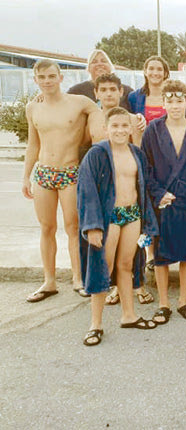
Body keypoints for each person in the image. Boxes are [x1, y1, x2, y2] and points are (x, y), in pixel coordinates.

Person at [23, 60, 105, 303]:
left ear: (61, 78)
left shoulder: (80, 103)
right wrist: (26, 176)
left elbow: (102, 112)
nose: (47, 81)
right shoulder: (33, 108)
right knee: (46, 228)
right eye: (42, 77)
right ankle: (49, 281)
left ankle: (77, 279)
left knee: (73, 227)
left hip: (70, 172)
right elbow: (33, 144)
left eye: (51, 76)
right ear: (35, 80)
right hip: (44, 173)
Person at [78, 107, 159, 346]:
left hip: (132, 214)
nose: (120, 130)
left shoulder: (136, 153)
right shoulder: (97, 154)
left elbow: (145, 185)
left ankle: (129, 315)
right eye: (115, 126)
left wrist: (156, 206)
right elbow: (86, 191)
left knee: (127, 265)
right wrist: (92, 226)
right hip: (108, 217)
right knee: (104, 266)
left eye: (125, 125)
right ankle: (95, 324)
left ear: (131, 128)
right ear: (106, 129)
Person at [141, 80, 186, 324]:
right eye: (170, 100)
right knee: (161, 253)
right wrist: (157, 193)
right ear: (164, 102)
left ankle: (184, 300)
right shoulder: (153, 130)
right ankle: (164, 303)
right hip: (163, 201)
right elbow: (145, 167)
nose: (175, 105)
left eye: (180, 100)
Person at [68, 49, 133, 110]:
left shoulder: (127, 92)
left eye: (104, 61)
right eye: (94, 62)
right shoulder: (76, 91)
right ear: (88, 68)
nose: (99, 64)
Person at [94, 73, 145, 147]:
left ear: (121, 92)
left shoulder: (134, 120)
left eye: (113, 89)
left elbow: (138, 153)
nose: (108, 94)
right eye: (103, 90)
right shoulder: (91, 118)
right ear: (96, 93)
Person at [128, 56, 170, 124]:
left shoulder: (174, 97)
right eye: (151, 69)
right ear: (145, 72)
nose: (155, 73)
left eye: (159, 69)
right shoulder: (133, 97)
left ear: (165, 73)